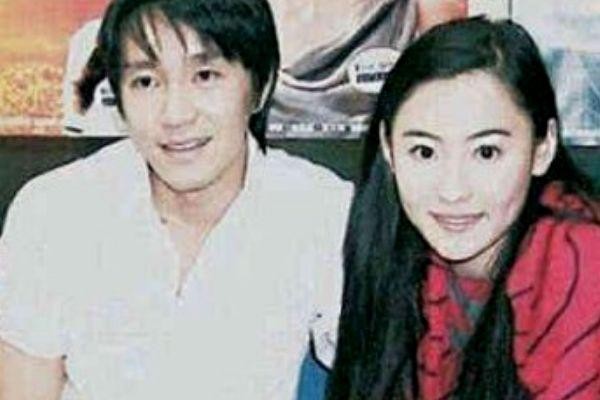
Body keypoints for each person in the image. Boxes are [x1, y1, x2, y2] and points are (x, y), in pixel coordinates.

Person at [0, 0, 352, 398]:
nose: (176, 114)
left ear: (261, 85)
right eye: (146, 82)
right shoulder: (54, 211)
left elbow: (379, 367)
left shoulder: (323, 211)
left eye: (205, 75)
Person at [328, 17, 600, 399]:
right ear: (389, 149)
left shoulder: (582, 260)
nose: (452, 191)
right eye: (424, 152)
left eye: (486, 152)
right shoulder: (395, 257)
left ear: (543, 148)